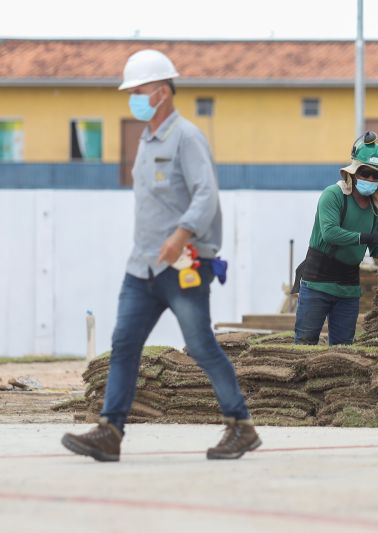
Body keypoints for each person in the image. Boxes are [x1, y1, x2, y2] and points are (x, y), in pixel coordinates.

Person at [61, 50, 260, 461]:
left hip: (184, 262)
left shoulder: (186, 137)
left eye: (140, 90)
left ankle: (240, 426)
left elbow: (207, 194)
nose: (134, 97)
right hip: (143, 267)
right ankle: (109, 431)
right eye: (130, 91)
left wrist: (180, 234)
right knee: (124, 344)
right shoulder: (147, 141)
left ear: (164, 92)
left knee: (201, 345)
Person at [293, 131, 378, 345]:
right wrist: (368, 236)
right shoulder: (334, 195)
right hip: (317, 283)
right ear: (354, 172)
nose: (370, 179)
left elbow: (377, 250)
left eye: (375, 176)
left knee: (343, 352)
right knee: (304, 344)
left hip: (348, 289)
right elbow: (330, 233)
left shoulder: (376, 208)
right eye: (365, 173)